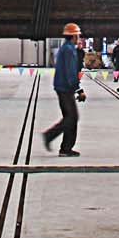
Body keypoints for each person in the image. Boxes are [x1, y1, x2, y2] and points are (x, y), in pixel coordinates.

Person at [40, 22, 84, 157]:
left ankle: (65, 148)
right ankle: (50, 136)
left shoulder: (66, 48)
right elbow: (70, 72)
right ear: (74, 36)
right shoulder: (69, 50)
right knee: (72, 118)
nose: (79, 38)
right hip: (65, 88)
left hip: (62, 87)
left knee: (70, 118)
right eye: (78, 35)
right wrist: (78, 90)